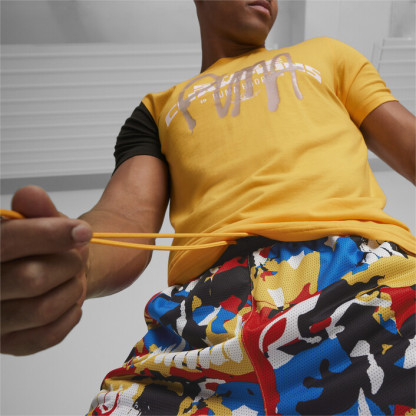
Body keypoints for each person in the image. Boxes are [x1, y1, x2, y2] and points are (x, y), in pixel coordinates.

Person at [1, 0, 415, 414]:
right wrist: (76, 260)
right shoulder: (155, 111)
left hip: (367, 282)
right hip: (208, 316)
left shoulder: (329, 54)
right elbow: (125, 218)